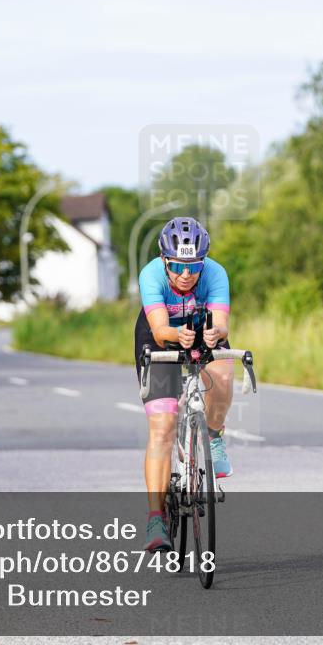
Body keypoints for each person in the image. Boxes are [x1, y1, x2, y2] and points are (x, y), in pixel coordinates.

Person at [134, 217, 234, 551]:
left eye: (194, 266)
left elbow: (221, 323)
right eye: (177, 266)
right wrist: (176, 336)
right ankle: (155, 518)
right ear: (165, 260)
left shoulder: (216, 274)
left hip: (200, 327)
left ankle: (214, 436)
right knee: (162, 426)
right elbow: (161, 329)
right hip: (160, 334)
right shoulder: (150, 275)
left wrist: (215, 334)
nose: (186, 274)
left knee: (223, 369)